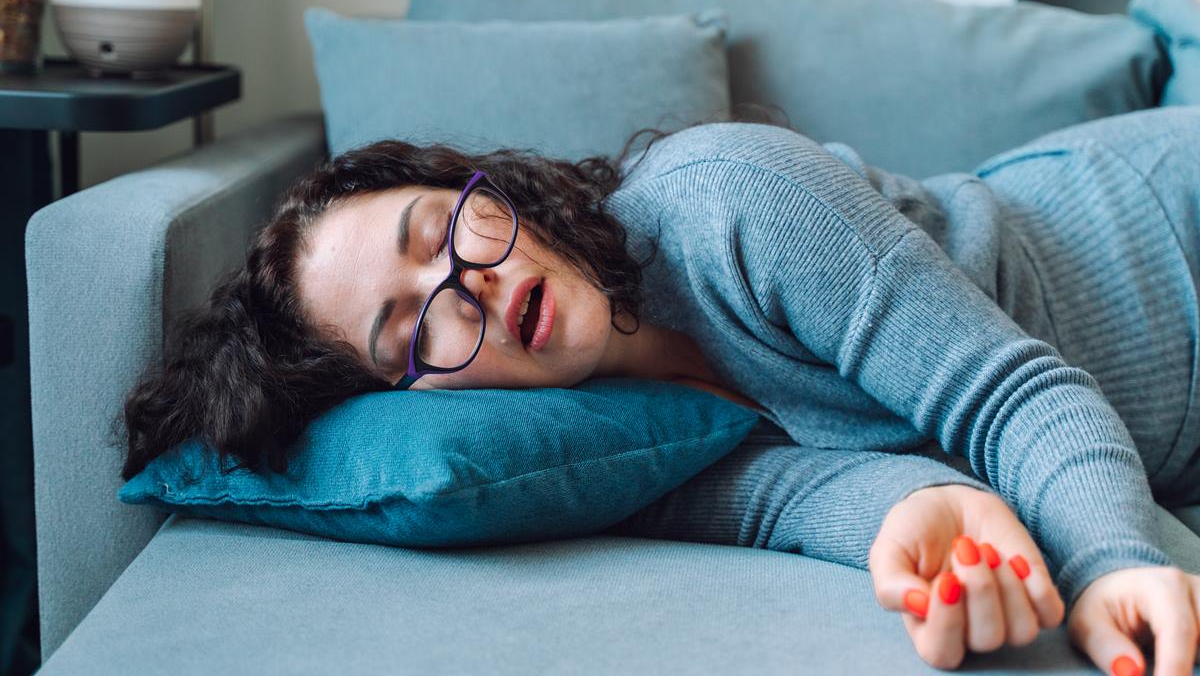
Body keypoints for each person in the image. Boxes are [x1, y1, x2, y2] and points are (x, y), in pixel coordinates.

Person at [117, 103, 1200, 676]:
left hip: (1166, 232)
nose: (471, 284)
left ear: (485, 190)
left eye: (443, 228)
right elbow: (784, 496)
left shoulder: (731, 199)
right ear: (412, 395)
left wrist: (1110, 556)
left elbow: (1011, 397)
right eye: (415, 321)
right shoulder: (599, 444)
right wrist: (923, 514)